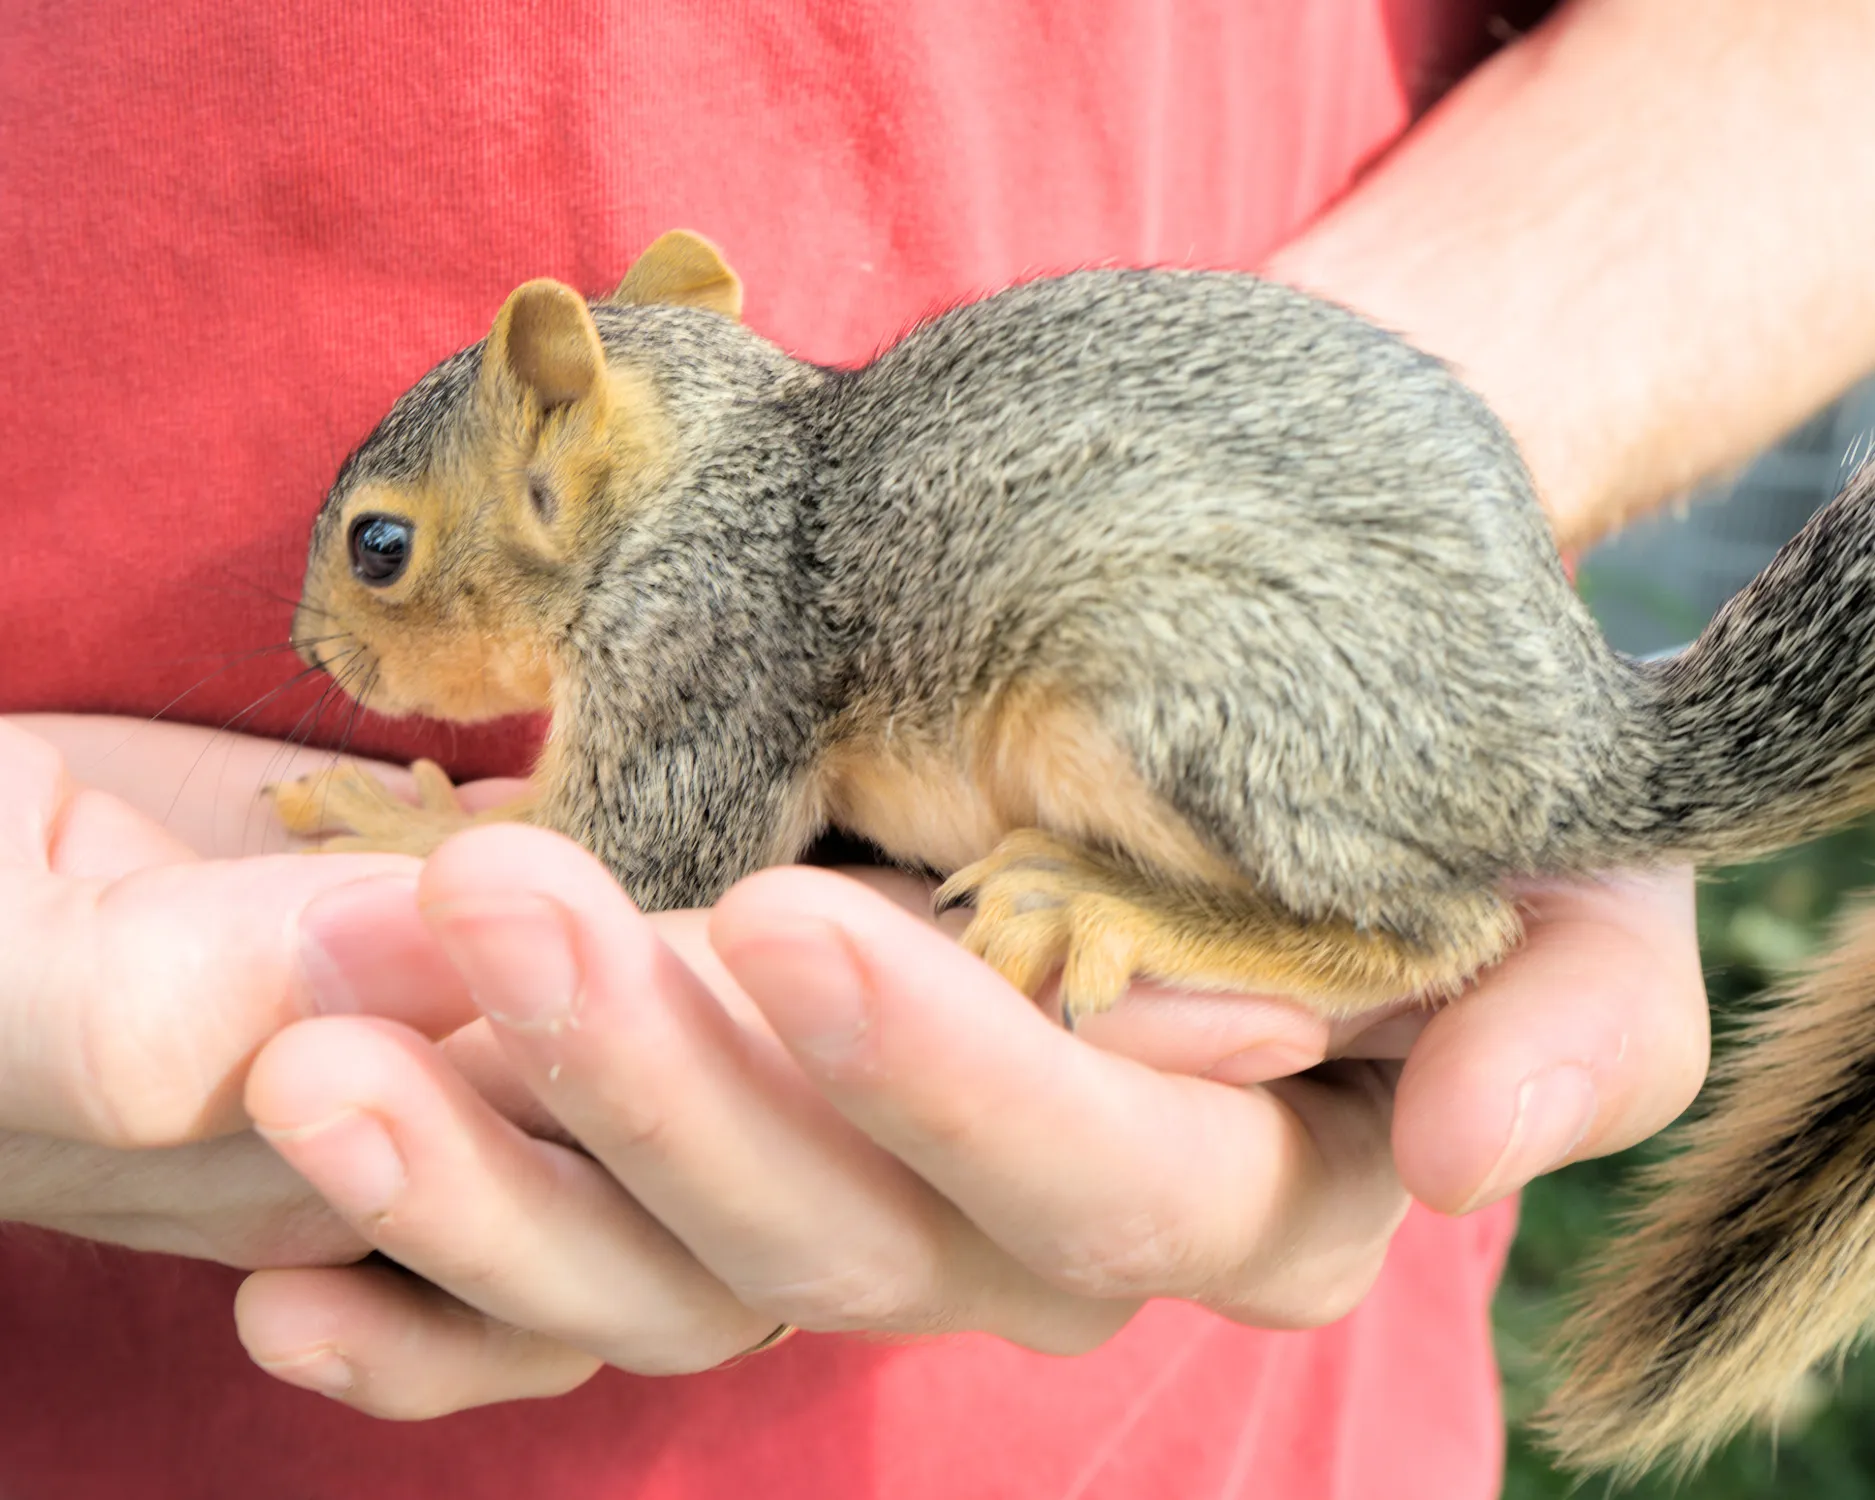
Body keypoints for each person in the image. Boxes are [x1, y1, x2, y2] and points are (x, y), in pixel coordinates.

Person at [4, 1, 1874, 1495]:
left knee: (1108, 677)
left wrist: (435, 844)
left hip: (1167, 1382)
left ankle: (1372, 929)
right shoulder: (740, 523)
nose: (342, 640)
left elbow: (655, 862)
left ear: (562, 437)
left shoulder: (691, 592)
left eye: (385, 559)